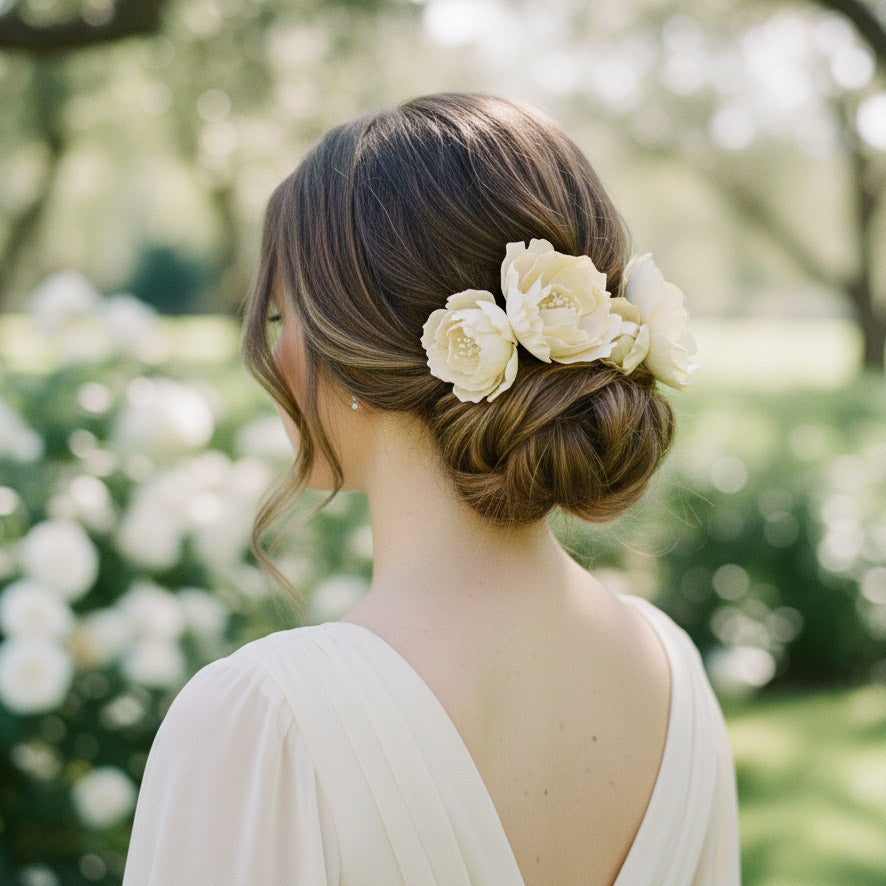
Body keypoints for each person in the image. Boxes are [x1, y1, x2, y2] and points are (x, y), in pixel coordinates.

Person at [124, 93, 740, 885]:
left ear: (355, 351)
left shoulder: (267, 722)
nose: (276, 361)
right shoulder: (675, 683)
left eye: (284, 321)